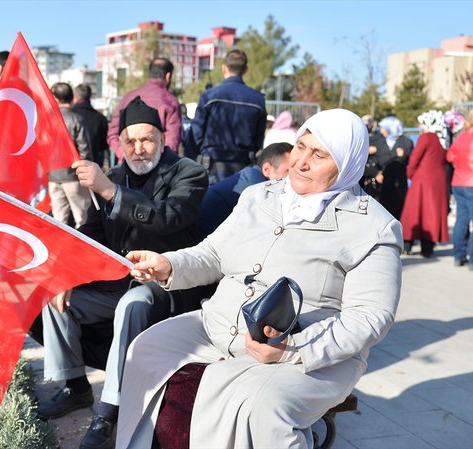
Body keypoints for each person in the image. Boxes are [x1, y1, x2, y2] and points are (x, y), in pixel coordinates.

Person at [117, 108, 403, 449]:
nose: (301, 162)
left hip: (309, 352)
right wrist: (169, 265)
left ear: (347, 164)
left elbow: (371, 317)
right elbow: (213, 254)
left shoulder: (373, 227)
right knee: (145, 350)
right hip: (219, 325)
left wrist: (292, 348)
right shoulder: (259, 196)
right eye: (300, 147)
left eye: (320, 154)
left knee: (258, 407)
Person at [37, 96, 209, 449]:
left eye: (147, 139)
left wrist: (111, 191)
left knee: (133, 303)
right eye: (130, 141)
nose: (139, 148)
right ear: (121, 144)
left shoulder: (189, 173)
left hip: (167, 284)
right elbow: (95, 231)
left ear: (163, 141)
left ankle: (108, 412)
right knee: (53, 296)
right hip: (115, 283)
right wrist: (65, 271)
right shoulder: (114, 175)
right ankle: (75, 386)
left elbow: (167, 218)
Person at [187, 49, 267, 184]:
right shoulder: (258, 99)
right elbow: (259, 137)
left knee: (210, 204)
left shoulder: (209, 96)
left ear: (224, 68)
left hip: (211, 164)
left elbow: (196, 132)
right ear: (246, 69)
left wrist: (203, 151)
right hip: (243, 165)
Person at [198, 142, 292, 239]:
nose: (293, 176)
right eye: (288, 171)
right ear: (267, 169)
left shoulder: (251, 175)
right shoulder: (255, 186)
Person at [107, 58, 181, 162]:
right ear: (168, 76)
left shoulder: (128, 98)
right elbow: (172, 139)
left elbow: (112, 133)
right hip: (157, 170)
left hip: (128, 170)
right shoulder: (170, 101)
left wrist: (125, 154)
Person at [446, 107, 473, 271]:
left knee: (462, 219)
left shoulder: (462, 136)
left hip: (459, 182)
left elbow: (450, 156)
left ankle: (458, 256)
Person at [400, 110, 449, 257]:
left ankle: (407, 244)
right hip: (439, 179)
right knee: (432, 213)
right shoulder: (444, 138)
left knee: (414, 212)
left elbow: (414, 158)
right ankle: (428, 247)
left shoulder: (426, 137)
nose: (420, 126)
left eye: (422, 123)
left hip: (422, 179)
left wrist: (411, 174)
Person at [48, 82, 93, 228]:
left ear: (55, 98)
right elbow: (85, 151)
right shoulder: (77, 119)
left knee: (58, 221)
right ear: (72, 98)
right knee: (82, 219)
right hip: (74, 176)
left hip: (54, 176)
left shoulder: (48, 120)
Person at [377, 116, 413, 219]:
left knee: (398, 211)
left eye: (384, 128)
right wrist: (375, 172)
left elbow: (410, 161)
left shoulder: (406, 142)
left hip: (399, 182)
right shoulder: (380, 141)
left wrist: (404, 155)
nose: (382, 131)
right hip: (382, 182)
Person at [72, 83, 109, 167]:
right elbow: (103, 146)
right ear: (89, 96)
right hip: (94, 167)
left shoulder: (69, 117)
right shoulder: (101, 118)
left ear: (75, 97)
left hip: (71, 167)